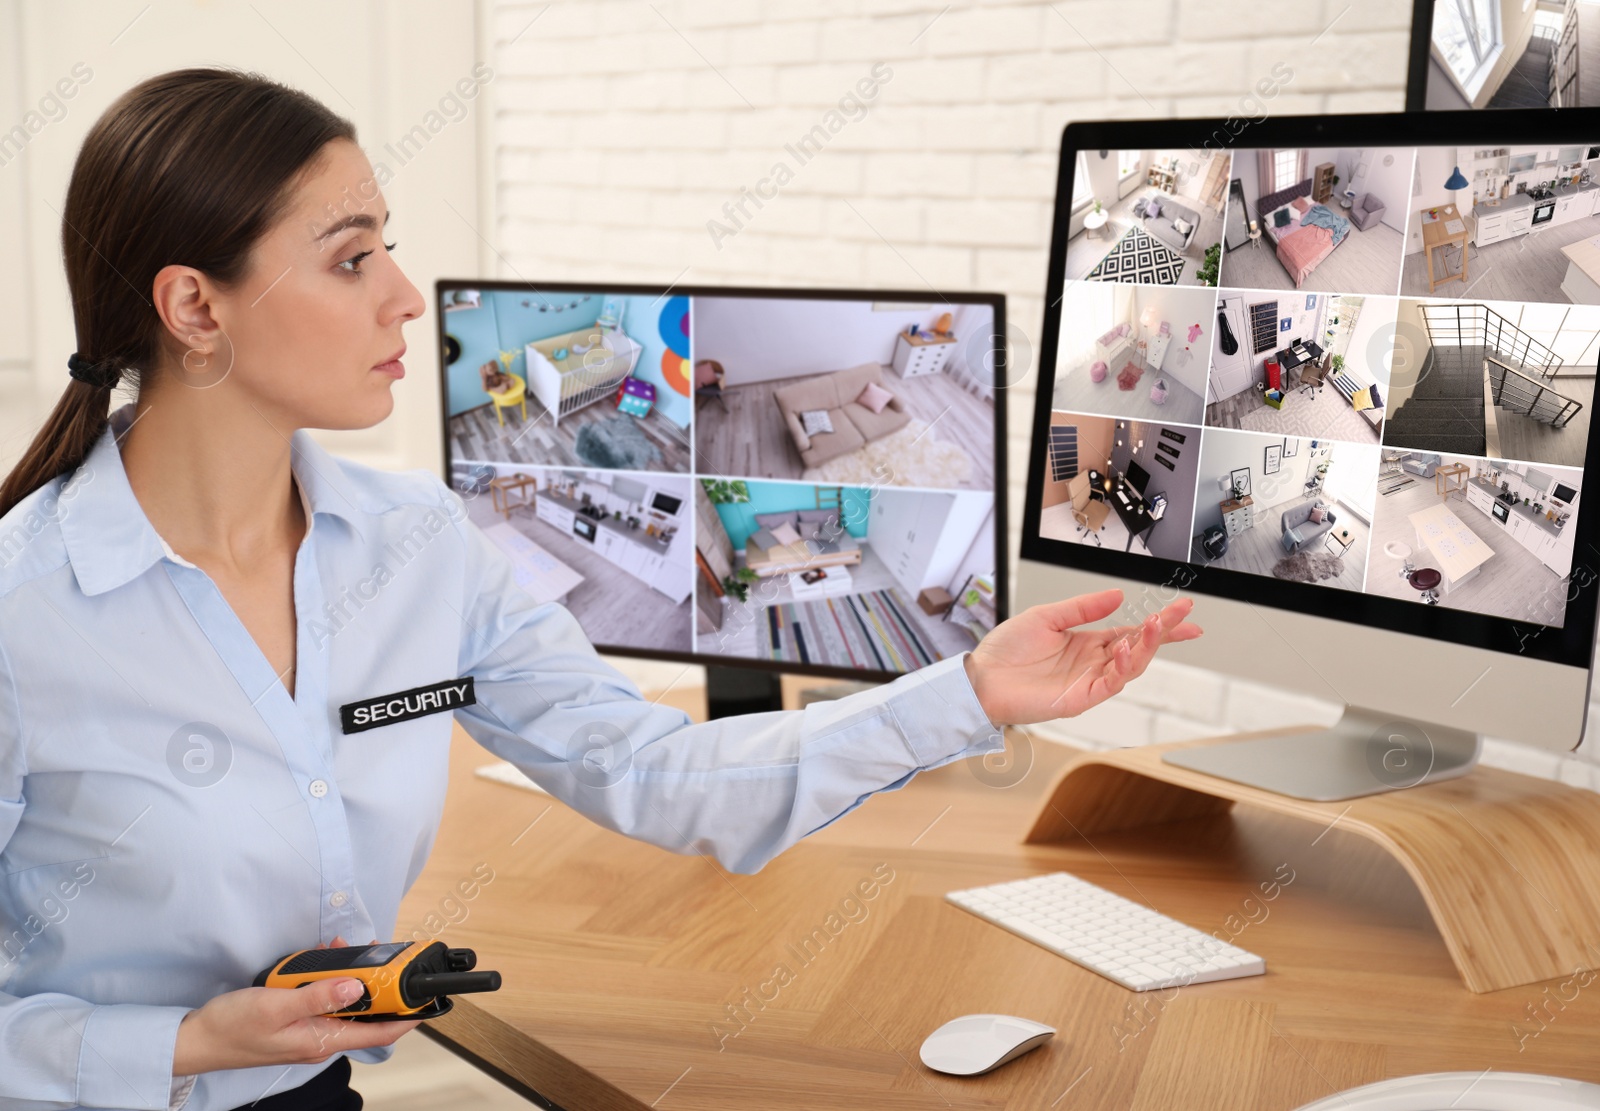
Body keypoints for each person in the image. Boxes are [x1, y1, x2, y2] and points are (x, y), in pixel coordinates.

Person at [0, 69, 1201, 1111]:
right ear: (194, 306)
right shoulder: (25, 608)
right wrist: (187, 1043)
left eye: (390, 248)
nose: (405, 295)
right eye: (352, 258)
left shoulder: (417, 542)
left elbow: (652, 770)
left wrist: (968, 693)